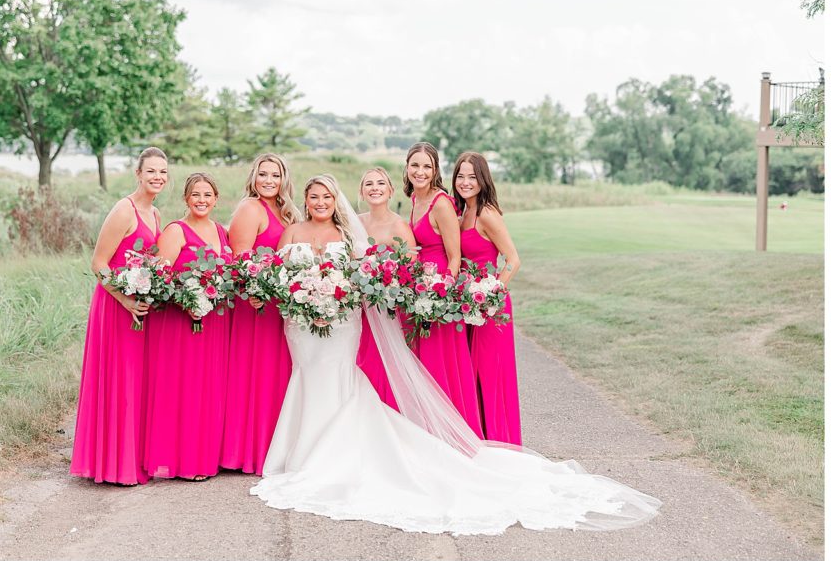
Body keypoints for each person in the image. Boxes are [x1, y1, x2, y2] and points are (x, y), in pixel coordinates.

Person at [250, 175, 661, 535]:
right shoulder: (292, 232)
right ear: (306, 200)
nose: (321, 202)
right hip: (301, 324)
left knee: (338, 376)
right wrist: (297, 295)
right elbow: (277, 274)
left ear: (336, 199)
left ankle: (331, 455)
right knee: (307, 375)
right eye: (314, 197)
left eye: (327, 196)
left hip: (341, 322)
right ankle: (300, 451)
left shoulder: (348, 235)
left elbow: (362, 277)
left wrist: (335, 297)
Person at [71, 146, 167, 485]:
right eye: (151, 171)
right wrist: (124, 300)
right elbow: (98, 263)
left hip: (139, 306)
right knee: (118, 378)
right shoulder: (124, 210)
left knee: (135, 380)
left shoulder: (155, 213)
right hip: (115, 306)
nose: (157, 177)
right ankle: (111, 464)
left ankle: (129, 458)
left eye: (163, 172)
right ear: (138, 174)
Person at [143, 173, 232, 481]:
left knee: (209, 389)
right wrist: (186, 300)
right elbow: (158, 278)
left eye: (207, 195)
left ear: (216, 199)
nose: (201, 200)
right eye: (196, 194)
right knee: (185, 388)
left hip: (215, 323)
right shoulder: (176, 231)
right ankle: (184, 462)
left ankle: (205, 457)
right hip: (182, 323)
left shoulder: (221, 231)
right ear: (186, 198)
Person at [220, 154, 301, 474]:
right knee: (253, 373)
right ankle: (245, 451)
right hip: (253, 304)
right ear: (253, 177)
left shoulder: (287, 211)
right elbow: (239, 258)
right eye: (263, 174)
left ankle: (273, 447)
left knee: (275, 375)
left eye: (275, 175)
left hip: (277, 305)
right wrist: (254, 291)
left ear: (284, 179)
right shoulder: (250, 208)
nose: (269, 180)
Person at [404, 142, 482, 436]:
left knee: (441, 366)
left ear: (435, 170)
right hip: (419, 292)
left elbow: (455, 257)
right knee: (422, 366)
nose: (420, 172)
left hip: (438, 296)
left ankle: (453, 435)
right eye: (415, 165)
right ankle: (427, 432)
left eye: (427, 166)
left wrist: (439, 295)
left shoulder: (441, 203)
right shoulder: (415, 199)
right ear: (407, 168)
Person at [453, 152, 522, 446]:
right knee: (472, 374)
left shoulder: (486, 214)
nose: (465, 182)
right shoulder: (461, 213)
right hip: (468, 306)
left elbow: (513, 260)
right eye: (460, 176)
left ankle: (499, 441)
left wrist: (490, 296)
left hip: (490, 307)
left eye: (472, 176)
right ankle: (478, 440)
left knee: (490, 375)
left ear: (482, 179)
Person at [356, 167, 416, 410]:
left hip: (388, 309)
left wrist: (384, 284)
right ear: (361, 191)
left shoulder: (399, 226)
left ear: (391, 190)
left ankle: (390, 411)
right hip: (360, 308)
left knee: (385, 363)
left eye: (380, 183)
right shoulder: (355, 223)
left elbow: (411, 269)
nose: (375, 188)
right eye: (369, 184)